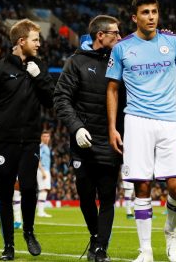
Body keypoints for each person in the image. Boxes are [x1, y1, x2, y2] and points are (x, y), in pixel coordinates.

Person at [105, 0, 176, 262]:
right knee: (142, 187)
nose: (151, 16)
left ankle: (171, 231)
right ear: (134, 18)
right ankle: (146, 251)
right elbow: (112, 89)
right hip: (136, 121)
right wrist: (113, 127)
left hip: (169, 122)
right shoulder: (122, 47)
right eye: (145, 12)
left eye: (154, 11)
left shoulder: (173, 42)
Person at [0, 18, 54, 261]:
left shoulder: (40, 67)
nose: (39, 44)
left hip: (30, 141)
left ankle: (28, 232)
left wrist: (39, 77)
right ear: (21, 41)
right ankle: (8, 245)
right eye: (35, 40)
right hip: (4, 142)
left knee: (29, 188)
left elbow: (51, 101)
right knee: (5, 194)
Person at [54, 15, 124, 262]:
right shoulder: (76, 62)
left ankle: (101, 249)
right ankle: (95, 236)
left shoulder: (123, 61)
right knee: (85, 196)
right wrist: (76, 127)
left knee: (107, 197)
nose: (120, 37)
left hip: (111, 142)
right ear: (100, 36)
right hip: (82, 142)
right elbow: (61, 98)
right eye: (115, 33)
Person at [37, 131, 52, 218]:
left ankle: (41, 211)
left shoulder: (46, 147)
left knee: (44, 190)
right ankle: (40, 212)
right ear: (41, 137)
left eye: (48, 136)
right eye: (44, 136)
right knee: (43, 190)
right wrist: (42, 171)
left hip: (46, 170)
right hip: (42, 170)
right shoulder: (41, 147)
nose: (46, 138)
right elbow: (37, 159)